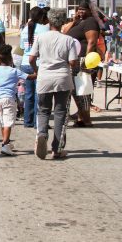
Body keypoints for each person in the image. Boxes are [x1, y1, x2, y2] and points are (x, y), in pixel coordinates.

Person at [29, 8, 78, 160]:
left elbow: (31, 59)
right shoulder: (68, 40)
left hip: (44, 77)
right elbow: (72, 62)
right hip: (63, 78)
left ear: (49, 21)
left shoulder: (41, 37)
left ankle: (42, 133)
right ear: (63, 22)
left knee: (43, 110)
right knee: (60, 112)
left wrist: (36, 71)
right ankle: (56, 148)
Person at [0, 44, 32, 156]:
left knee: (2, 122)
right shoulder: (14, 71)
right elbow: (29, 77)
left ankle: (6, 143)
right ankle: (5, 144)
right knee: (8, 122)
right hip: (9, 99)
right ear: (10, 59)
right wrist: (38, 73)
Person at [62, 0, 100, 127]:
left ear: (90, 10)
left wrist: (86, 61)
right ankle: (81, 117)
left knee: (83, 91)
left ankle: (86, 120)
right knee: (76, 90)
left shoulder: (91, 22)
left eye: (83, 9)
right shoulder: (78, 21)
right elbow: (64, 32)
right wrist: (73, 21)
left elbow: (92, 42)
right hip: (75, 60)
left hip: (84, 59)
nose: (80, 11)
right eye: (79, 9)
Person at [19, 7, 49, 128]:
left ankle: (28, 121)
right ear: (42, 17)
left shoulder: (25, 29)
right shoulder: (44, 29)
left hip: (25, 63)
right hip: (38, 63)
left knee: (28, 94)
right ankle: (38, 122)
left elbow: (22, 47)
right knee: (39, 95)